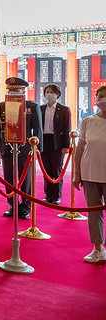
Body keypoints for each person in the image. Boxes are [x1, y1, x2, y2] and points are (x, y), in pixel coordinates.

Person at [0, 77, 43, 219]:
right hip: (6, 147)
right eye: (11, 90)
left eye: (17, 90)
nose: (13, 92)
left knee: (25, 179)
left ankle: (25, 207)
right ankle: (12, 205)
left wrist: (38, 150)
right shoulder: (1, 106)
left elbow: (38, 130)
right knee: (8, 178)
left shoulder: (32, 106)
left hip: (26, 147)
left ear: (23, 91)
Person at [73, 85, 106, 263]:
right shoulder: (88, 122)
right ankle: (98, 248)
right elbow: (80, 149)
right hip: (90, 173)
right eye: (100, 96)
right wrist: (77, 174)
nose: (103, 100)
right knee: (94, 213)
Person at [40, 84, 71, 204]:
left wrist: (66, 145)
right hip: (44, 140)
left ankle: (57, 196)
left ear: (57, 94)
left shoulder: (64, 109)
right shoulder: (41, 108)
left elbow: (67, 128)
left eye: (52, 92)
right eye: (47, 92)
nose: (49, 94)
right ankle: (48, 195)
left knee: (57, 170)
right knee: (46, 170)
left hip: (57, 141)